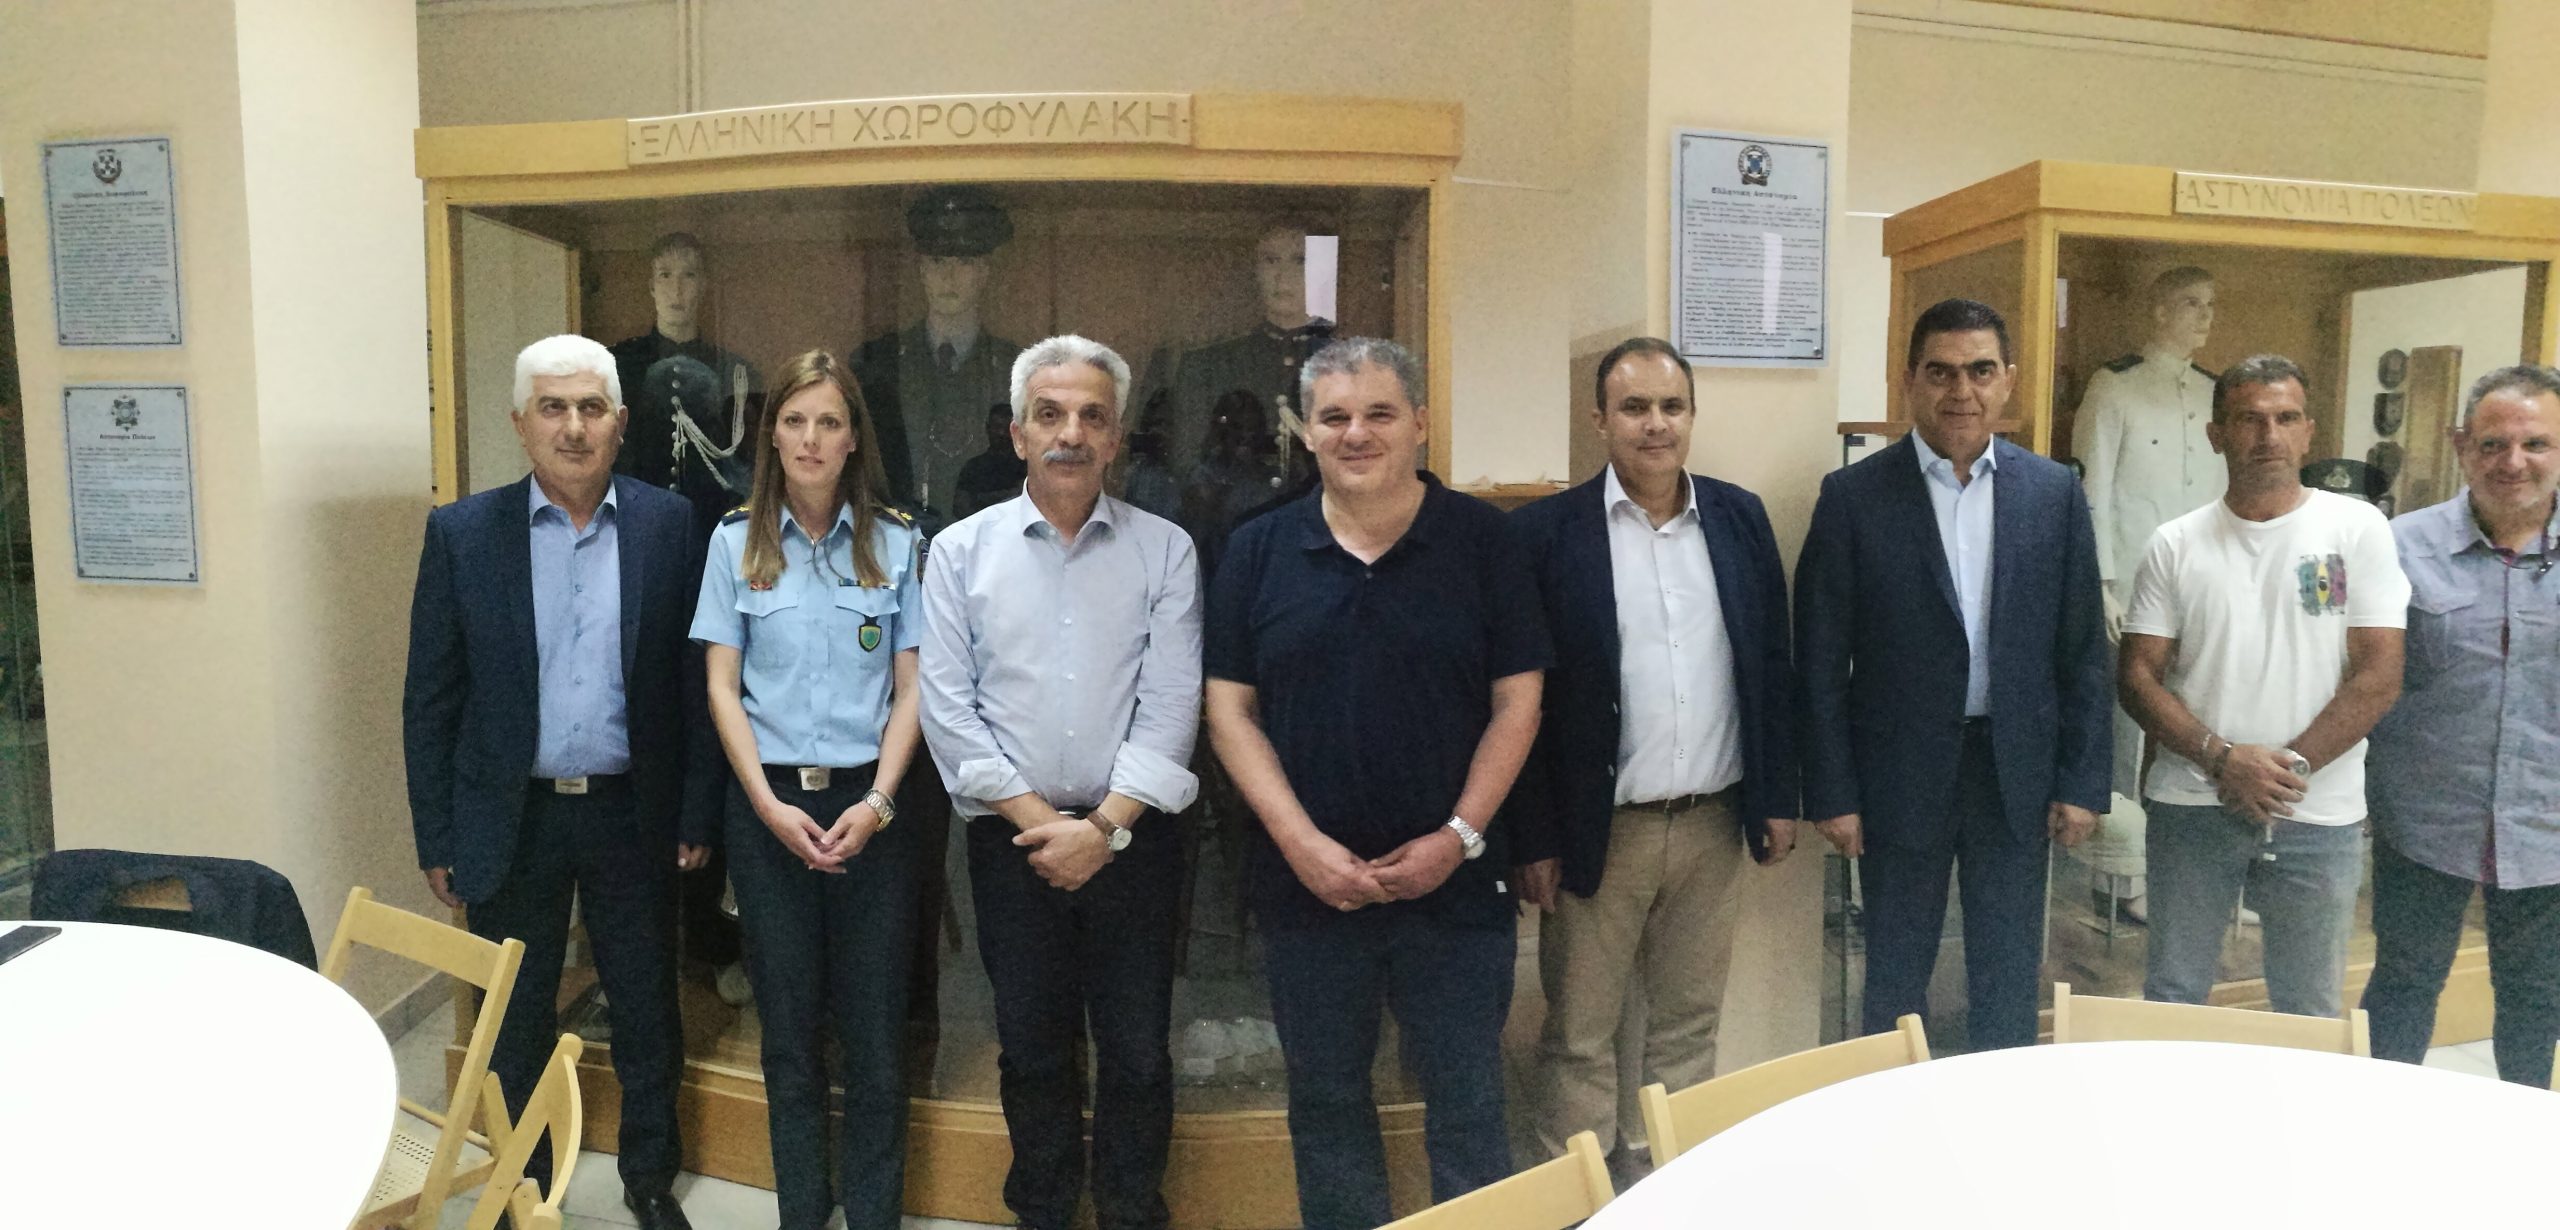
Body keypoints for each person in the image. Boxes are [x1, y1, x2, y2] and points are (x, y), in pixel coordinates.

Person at [1205, 336, 1546, 1229]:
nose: (1357, 433)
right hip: (1308, 888)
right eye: (1335, 417)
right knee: (1325, 1104)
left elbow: (1519, 703)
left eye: (1380, 414)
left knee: (1469, 1103)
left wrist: (1458, 838)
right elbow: (1228, 710)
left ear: (1420, 423)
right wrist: (1300, 844)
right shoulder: (1258, 549)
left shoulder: (1486, 543)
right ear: (1305, 432)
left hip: (1457, 888)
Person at [402, 333, 705, 1230]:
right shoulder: (462, 534)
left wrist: (695, 812)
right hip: (513, 816)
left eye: (591, 408)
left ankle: (650, 1180)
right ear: (520, 423)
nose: (573, 427)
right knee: (515, 1017)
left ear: (620, 421)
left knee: (646, 1009)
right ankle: (520, 1183)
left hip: (630, 812)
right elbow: (431, 698)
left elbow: (694, 685)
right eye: (553, 407)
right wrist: (437, 835)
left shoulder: (667, 525)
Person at [920, 335, 1203, 1230]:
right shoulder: (958, 554)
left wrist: (1104, 830)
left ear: (1116, 437)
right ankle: (1042, 1210)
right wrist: (1046, 826)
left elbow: (1172, 704)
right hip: (1014, 844)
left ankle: (1128, 1210)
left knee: (1138, 1053)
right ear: (1017, 433)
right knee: (1032, 1050)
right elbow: (949, 713)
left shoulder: (1166, 551)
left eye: (1091, 416)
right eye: (1049, 415)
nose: (1070, 433)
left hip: (1136, 842)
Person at [1507, 337, 1796, 1167]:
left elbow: (1769, 665)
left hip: (1712, 822)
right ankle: (1580, 1201)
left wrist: (1777, 796)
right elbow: (1523, 703)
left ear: (1693, 416)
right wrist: (1533, 838)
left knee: (1689, 1025)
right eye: (1634, 407)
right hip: (1600, 830)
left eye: (1672, 406)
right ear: (1600, 420)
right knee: (1579, 1034)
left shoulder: (1739, 518)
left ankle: (1675, 1186)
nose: (1655, 424)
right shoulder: (1546, 535)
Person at [1796, 299, 2110, 1051]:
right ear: (1909, 381)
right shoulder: (1854, 497)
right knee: (1895, 976)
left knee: (2008, 973)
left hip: (2015, 774)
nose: (1961, 391)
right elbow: (1819, 659)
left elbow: (2082, 651)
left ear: (2008, 382)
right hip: (1898, 775)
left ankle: (1998, 1110)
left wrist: (2081, 781)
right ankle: (1890, 1110)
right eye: (1940, 372)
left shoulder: (2053, 494)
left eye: (1980, 371)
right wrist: (1834, 791)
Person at [691, 350, 925, 1230]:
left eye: (830, 421)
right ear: (772, 434)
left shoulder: (896, 543)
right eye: (794, 421)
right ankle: (802, 1210)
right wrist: (763, 804)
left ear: (854, 437)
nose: (811, 439)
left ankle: (873, 1214)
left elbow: (914, 688)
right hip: (770, 812)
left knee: (874, 1035)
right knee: (787, 1034)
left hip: (872, 811)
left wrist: (880, 803)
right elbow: (722, 687)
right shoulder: (734, 543)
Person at [2118, 354, 2407, 1016]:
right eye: (2249, 419)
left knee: (2309, 1007)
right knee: (2173, 996)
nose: (2268, 435)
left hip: (2317, 810)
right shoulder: (2175, 543)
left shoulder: (2356, 530)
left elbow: (2380, 673)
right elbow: (2136, 676)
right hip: (2193, 803)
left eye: (2285, 418)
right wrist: (2223, 759)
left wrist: (2285, 770)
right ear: (2216, 434)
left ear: (2309, 432)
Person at [2362, 364, 2560, 1084]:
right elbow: (2359, 678)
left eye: (2536, 443)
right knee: (2402, 989)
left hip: (2549, 827)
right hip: (2423, 821)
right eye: (2493, 444)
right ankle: (2380, 1128)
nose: (2513, 462)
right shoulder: (2397, 546)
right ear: (2460, 446)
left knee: (2537, 1003)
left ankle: (2527, 1140)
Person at [2071, 266, 2226, 915]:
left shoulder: (2216, 392)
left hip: (2204, 587)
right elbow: (2091, 491)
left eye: (2210, 304)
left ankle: (2209, 882)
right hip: (2133, 590)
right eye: (2190, 303)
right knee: (2126, 736)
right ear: (2159, 311)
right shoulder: (2116, 386)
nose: (2204, 316)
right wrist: (2100, 583)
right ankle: (2118, 882)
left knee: (2209, 725)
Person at [854, 186, 1023, 531]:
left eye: (965, 262)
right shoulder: (877, 363)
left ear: (984, 272)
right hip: (895, 534)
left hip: (992, 534)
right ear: (921, 271)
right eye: (937, 262)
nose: (949, 276)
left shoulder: (1015, 367)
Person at [952, 401, 1028, 518]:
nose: (1001, 433)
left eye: (1006, 428)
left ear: (1016, 431)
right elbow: (960, 508)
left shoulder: (1028, 466)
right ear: (988, 428)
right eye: (997, 427)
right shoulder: (974, 467)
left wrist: (983, 499)